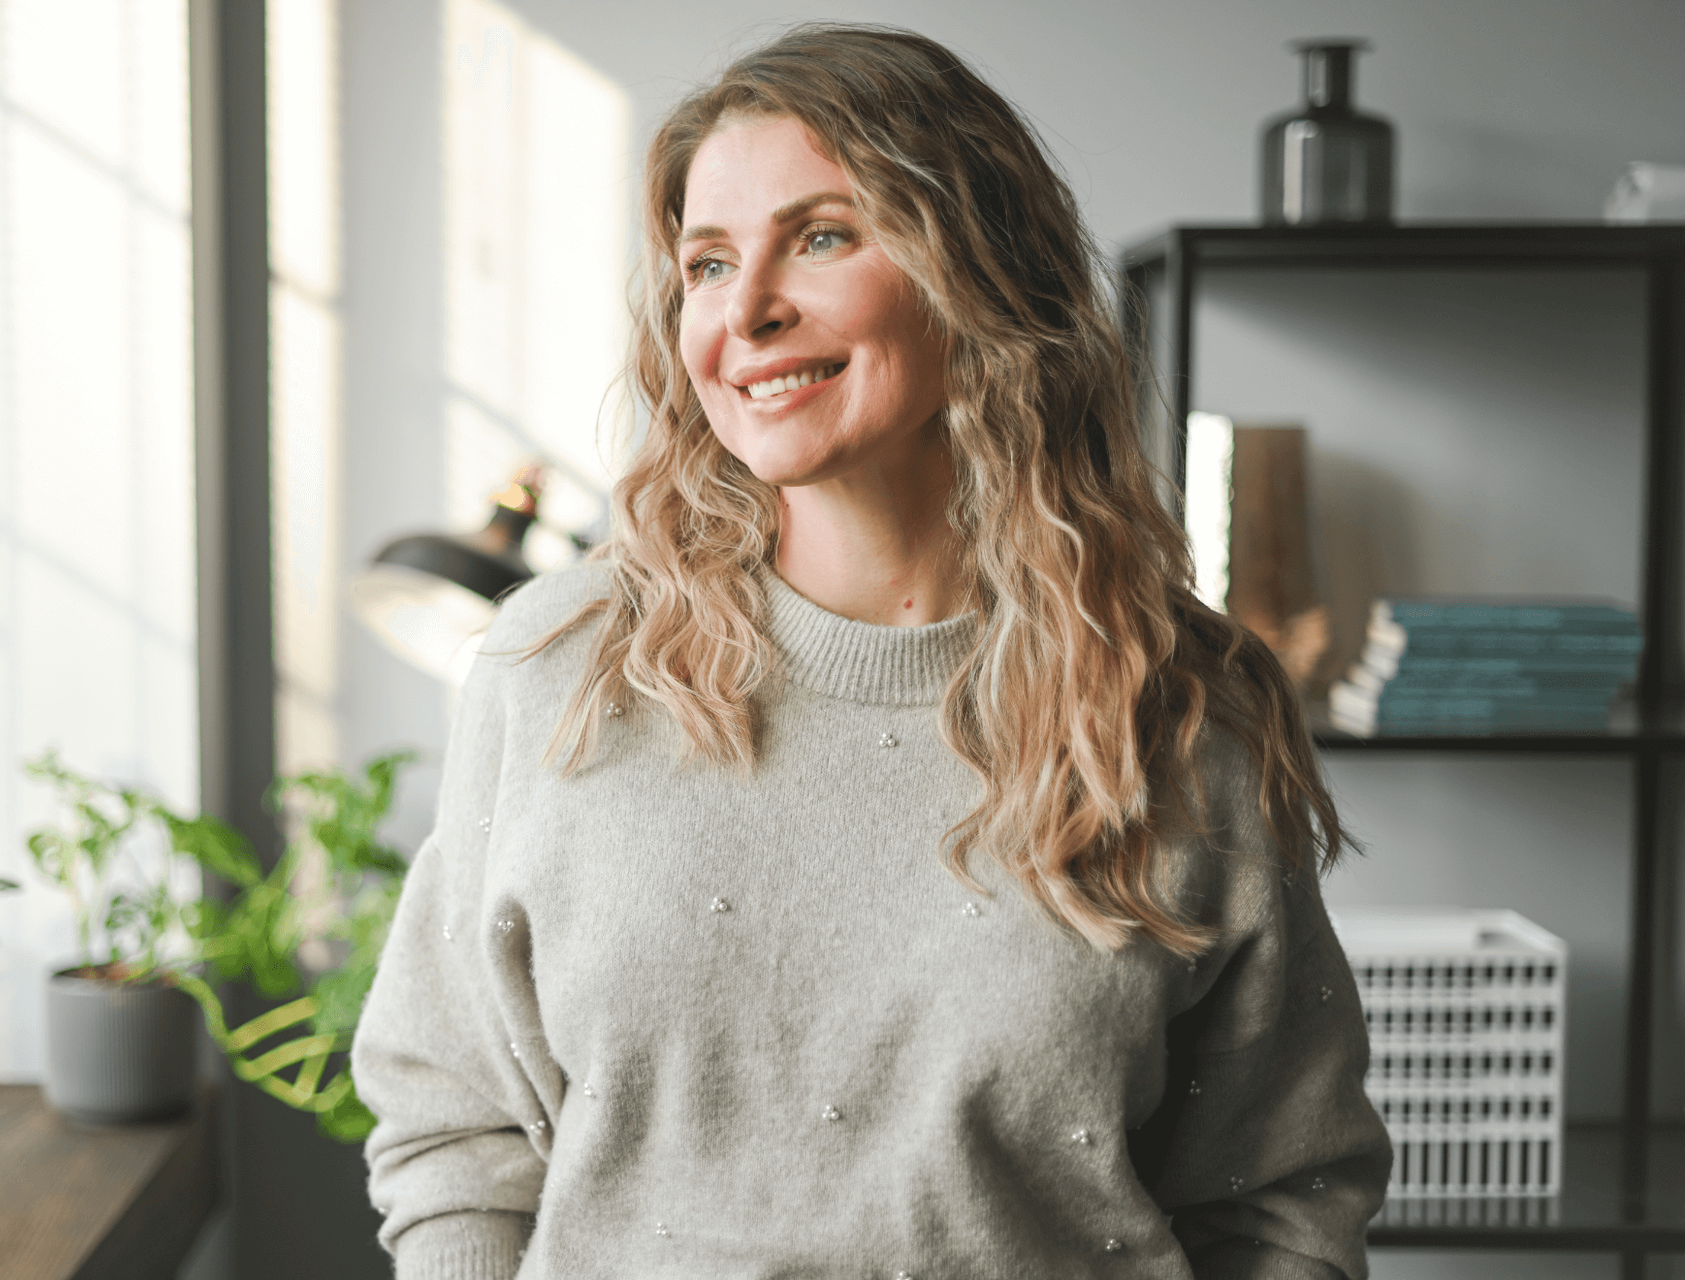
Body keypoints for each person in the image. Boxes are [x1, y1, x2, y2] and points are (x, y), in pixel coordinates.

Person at [351, 22, 1392, 1278]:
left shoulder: (1181, 711)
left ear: (980, 275)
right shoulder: (559, 668)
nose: (748, 310)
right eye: (708, 261)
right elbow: (453, 1123)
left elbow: (1279, 1192)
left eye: (825, 236)